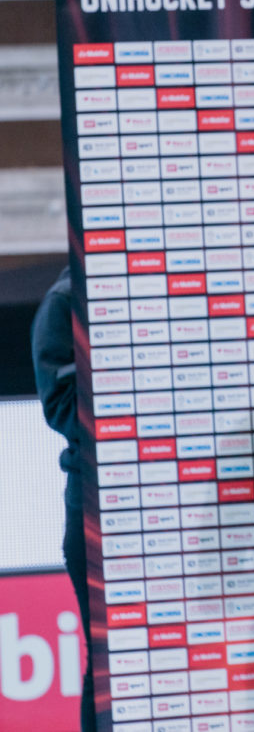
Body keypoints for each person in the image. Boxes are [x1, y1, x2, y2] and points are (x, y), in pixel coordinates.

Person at [31, 267, 94, 732]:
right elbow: (60, 408)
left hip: (170, 509)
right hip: (95, 512)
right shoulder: (64, 300)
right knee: (109, 654)